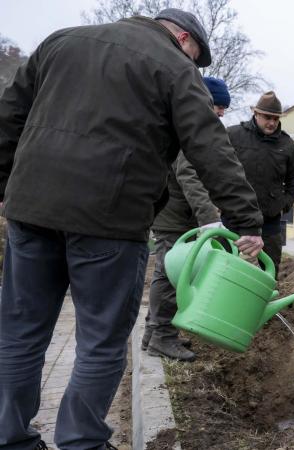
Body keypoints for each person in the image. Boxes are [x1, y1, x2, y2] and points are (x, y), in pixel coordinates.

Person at [0, 9, 265, 449]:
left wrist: (4, 181)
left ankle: (9, 438)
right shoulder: (176, 68)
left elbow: (9, 116)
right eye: (195, 55)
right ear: (182, 37)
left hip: (33, 210)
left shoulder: (60, 41)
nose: (194, 64)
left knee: (20, 333)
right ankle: (81, 441)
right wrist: (245, 221)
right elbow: (210, 147)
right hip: (110, 219)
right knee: (100, 340)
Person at [141, 76, 232, 362]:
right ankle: (162, 337)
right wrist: (209, 219)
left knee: (165, 273)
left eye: (224, 109)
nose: (221, 113)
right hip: (175, 215)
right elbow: (190, 176)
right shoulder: (189, 130)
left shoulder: (187, 124)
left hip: (173, 212)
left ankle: (152, 332)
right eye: (218, 106)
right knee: (172, 276)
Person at [227, 91, 294, 277]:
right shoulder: (233, 135)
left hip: (269, 219)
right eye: (268, 117)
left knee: (270, 270)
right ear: (256, 114)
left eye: (276, 119)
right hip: (233, 216)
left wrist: (285, 202)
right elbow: (216, 167)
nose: (272, 123)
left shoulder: (286, 144)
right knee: (224, 263)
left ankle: (266, 303)